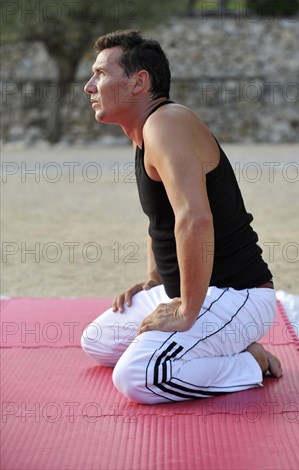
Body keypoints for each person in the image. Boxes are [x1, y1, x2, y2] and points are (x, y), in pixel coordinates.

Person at [81, 29, 282, 404]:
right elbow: (162, 219)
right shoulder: (145, 132)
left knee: (138, 377)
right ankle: (215, 340)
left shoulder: (167, 122)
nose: (90, 87)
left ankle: (250, 362)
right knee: (97, 343)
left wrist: (188, 310)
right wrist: (153, 280)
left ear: (140, 82)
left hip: (235, 295)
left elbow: (194, 218)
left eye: (101, 74)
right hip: (186, 291)